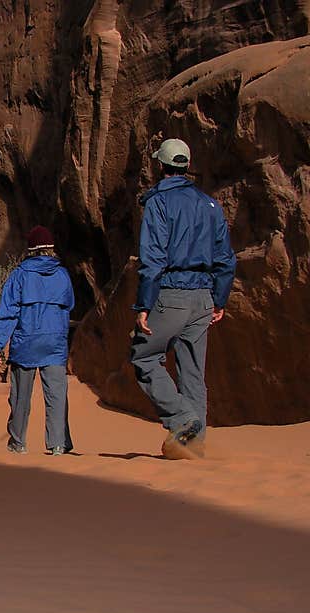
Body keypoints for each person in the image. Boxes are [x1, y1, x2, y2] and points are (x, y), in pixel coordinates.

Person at [130, 138, 236, 457]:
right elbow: (226, 259)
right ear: (187, 166)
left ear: (160, 166)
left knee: (143, 356)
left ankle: (182, 420)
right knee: (192, 372)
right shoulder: (210, 205)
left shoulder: (158, 203)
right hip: (203, 297)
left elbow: (153, 257)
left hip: (171, 293)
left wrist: (144, 305)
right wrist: (219, 300)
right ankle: (193, 445)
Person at [0, 226, 75, 456]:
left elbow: (8, 312)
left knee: (20, 396)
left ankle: (18, 442)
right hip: (55, 342)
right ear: (50, 248)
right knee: (56, 396)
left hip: (26, 341)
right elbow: (70, 305)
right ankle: (58, 444)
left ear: (30, 248)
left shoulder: (19, 275)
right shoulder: (62, 275)